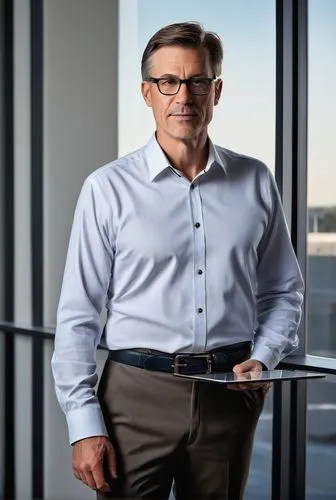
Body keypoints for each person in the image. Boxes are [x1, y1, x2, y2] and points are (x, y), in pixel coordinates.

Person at [52, 21, 304, 500]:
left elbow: (283, 290)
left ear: (217, 90)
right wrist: (83, 424)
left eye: (198, 81)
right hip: (134, 395)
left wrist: (264, 356)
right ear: (147, 92)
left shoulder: (255, 180)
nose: (183, 96)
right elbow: (78, 316)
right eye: (168, 82)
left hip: (230, 394)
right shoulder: (107, 189)